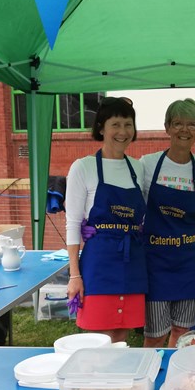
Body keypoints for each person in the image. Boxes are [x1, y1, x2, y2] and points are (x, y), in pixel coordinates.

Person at [65, 97, 146, 343]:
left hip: (132, 261)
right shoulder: (83, 167)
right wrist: (74, 276)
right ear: (101, 128)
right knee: (100, 339)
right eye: (116, 124)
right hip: (99, 264)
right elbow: (72, 223)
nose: (123, 132)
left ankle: (120, 382)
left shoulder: (138, 167)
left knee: (122, 336)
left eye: (128, 124)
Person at [140, 99, 195, 347]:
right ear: (167, 127)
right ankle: (149, 379)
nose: (184, 130)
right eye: (178, 123)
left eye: (192, 124)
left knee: (183, 332)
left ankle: (173, 379)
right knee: (155, 333)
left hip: (188, 262)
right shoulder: (146, 164)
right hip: (156, 262)